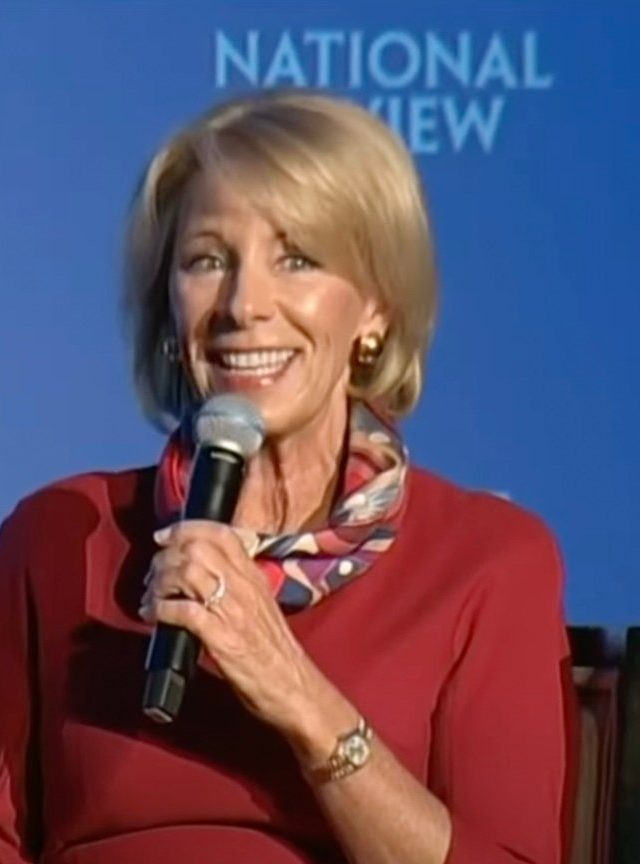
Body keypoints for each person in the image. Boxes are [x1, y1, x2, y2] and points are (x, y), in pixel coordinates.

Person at [0, 90, 575, 864]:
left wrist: (296, 693)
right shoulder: (62, 536)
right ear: (168, 306)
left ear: (375, 309)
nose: (244, 305)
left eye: (297, 258)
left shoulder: (487, 561)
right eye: (207, 260)